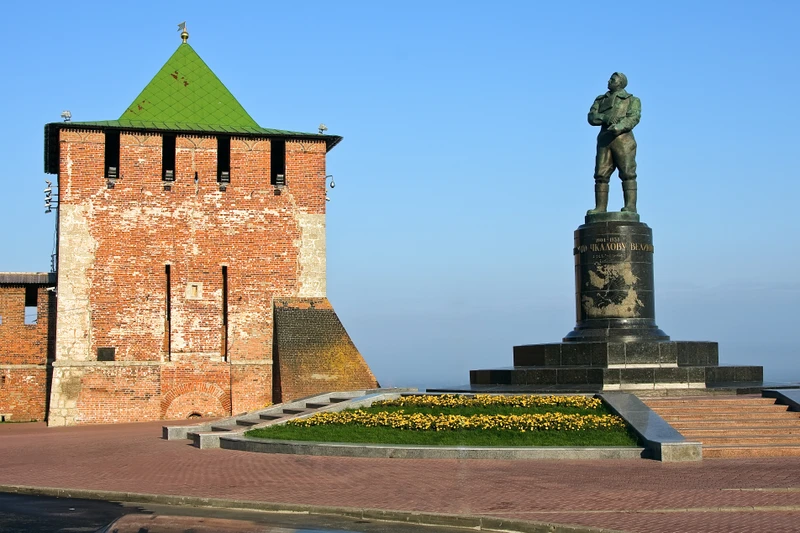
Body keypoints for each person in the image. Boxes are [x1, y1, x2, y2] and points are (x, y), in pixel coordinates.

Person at [587, 72, 641, 214]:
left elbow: (634, 117)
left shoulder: (632, 100)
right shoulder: (601, 99)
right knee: (600, 175)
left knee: (628, 173)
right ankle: (600, 208)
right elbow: (591, 117)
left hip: (623, 140)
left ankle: (630, 207)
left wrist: (619, 126)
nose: (609, 81)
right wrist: (605, 118)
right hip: (605, 140)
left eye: (612, 79)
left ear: (620, 83)